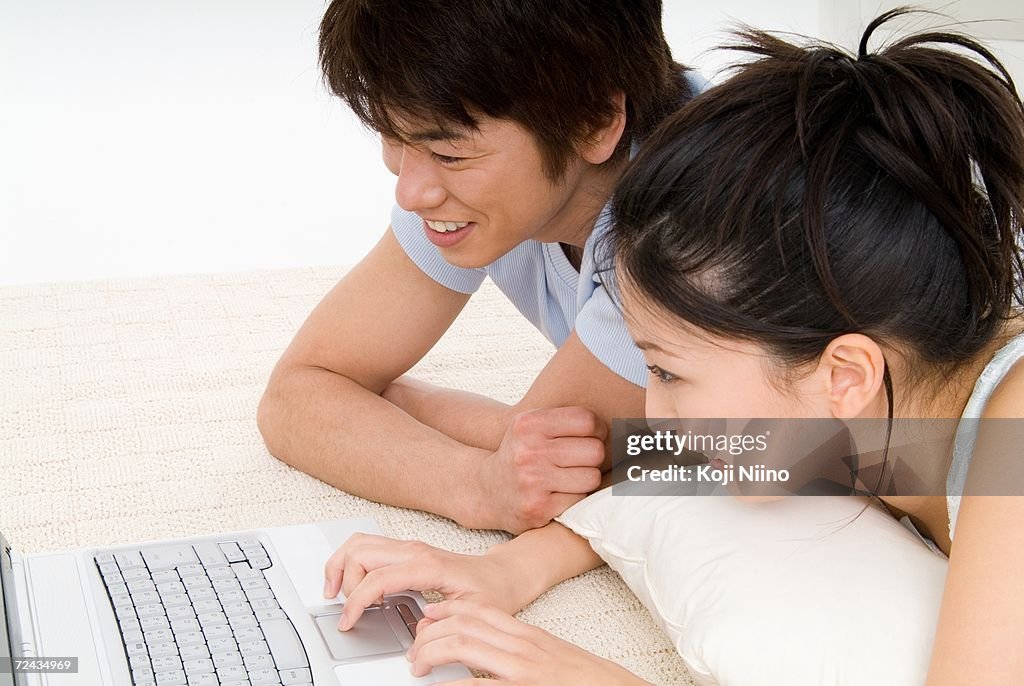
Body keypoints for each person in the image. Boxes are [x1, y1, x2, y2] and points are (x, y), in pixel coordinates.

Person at [320, 10, 1024, 684]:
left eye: (666, 370)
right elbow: (701, 465)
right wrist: (506, 572)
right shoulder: (879, 399)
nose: (653, 415)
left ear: (844, 373)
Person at [256, 0, 700, 534]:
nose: (411, 191)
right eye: (393, 136)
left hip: (812, 454)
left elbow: (555, 464)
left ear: (595, 122)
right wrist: (476, 482)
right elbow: (294, 397)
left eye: (448, 154)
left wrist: (407, 402)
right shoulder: (496, 189)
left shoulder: (694, 227)